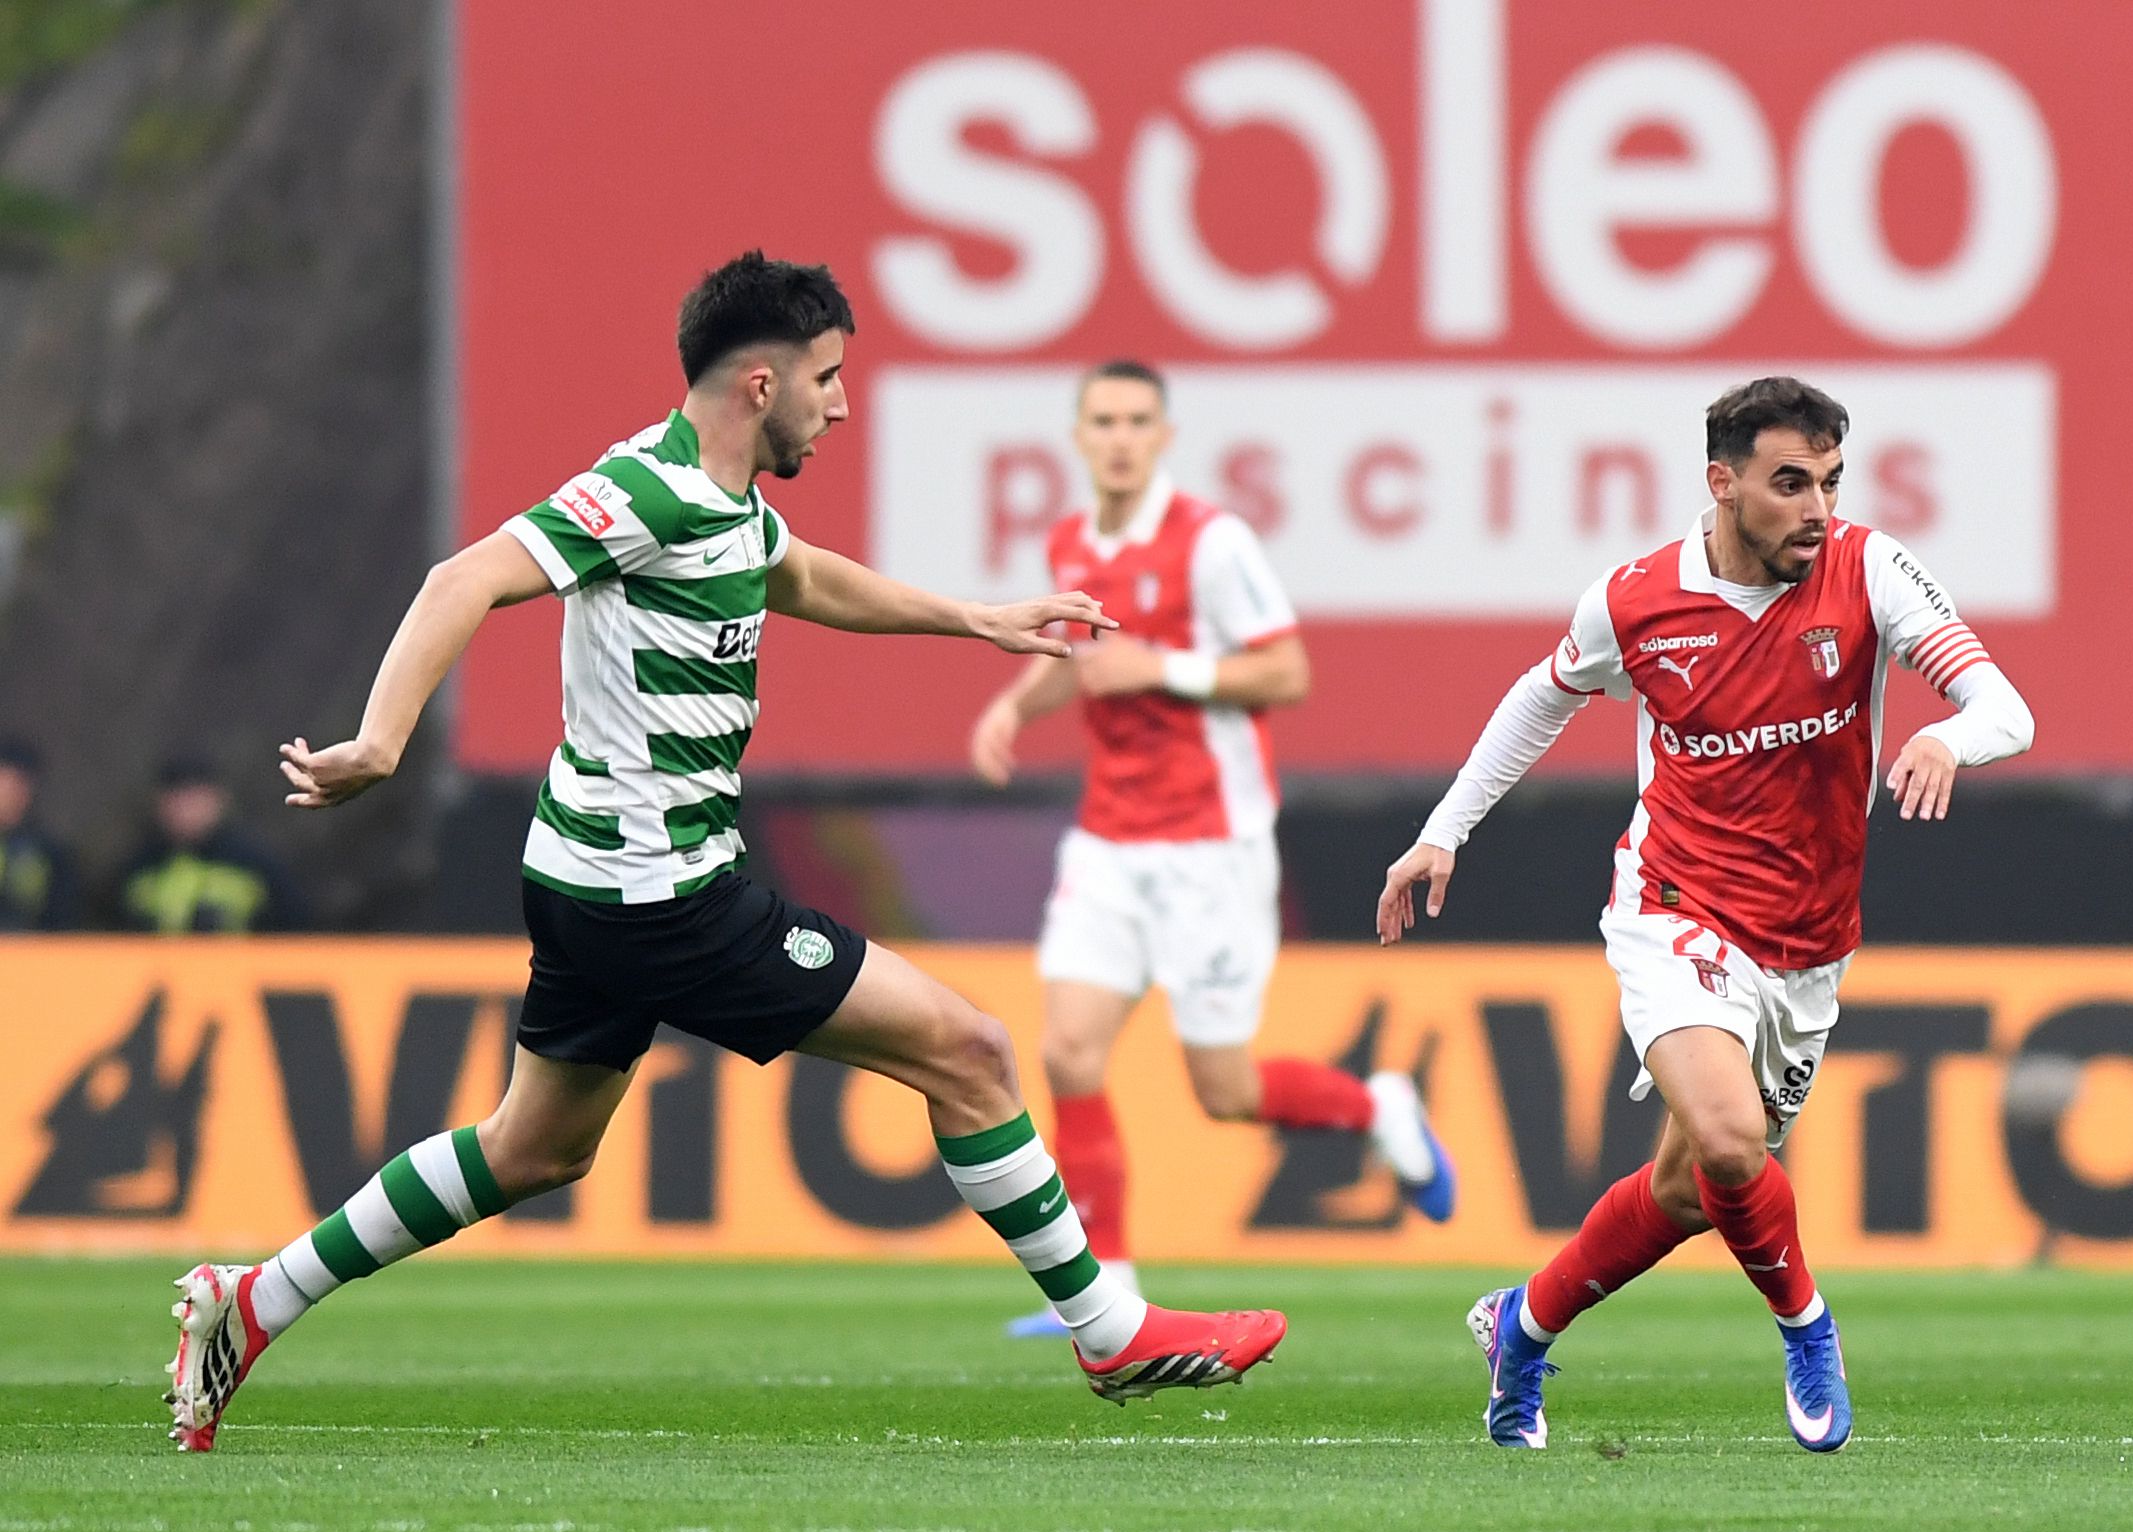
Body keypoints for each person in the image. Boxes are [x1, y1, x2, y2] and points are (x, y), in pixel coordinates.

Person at [164, 252, 1286, 1451]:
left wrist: (974, 617)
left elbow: (797, 574)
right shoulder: (645, 491)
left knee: (531, 1146)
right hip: (662, 895)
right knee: (970, 1050)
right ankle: (1111, 1328)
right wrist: (381, 742)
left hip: (591, 878)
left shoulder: (727, 502)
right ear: (761, 383)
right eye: (828, 377)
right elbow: (465, 575)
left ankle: (254, 1298)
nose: (840, 403)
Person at [1376, 377, 2033, 1452]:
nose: (1815, 508)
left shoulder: (1867, 568)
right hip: (1672, 901)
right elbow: (1542, 692)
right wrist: (1445, 828)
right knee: (1732, 1142)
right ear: (1721, 484)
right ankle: (1807, 1328)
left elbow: (2004, 705)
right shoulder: (1636, 601)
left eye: (1828, 480)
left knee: (1690, 1185)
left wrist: (1945, 738)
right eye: (1788, 483)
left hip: (1809, 942)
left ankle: (1521, 1324)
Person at [970, 360, 1451, 1338]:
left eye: (1136, 419)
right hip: (1108, 838)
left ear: (1163, 434)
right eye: (1101, 418)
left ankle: (1376, 1105)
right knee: (1066, 1049)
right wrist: (1018, 700)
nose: (1117, 435)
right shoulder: (1069, 539)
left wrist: (1168, 665)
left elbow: (1286, 670)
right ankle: (1103, 1286)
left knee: (1222, 1091)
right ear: (1076, 434)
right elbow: (1089, 662)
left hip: (1210, 845)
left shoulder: (1210, 542)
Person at [114, 755, 308, 932]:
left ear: (219, 800)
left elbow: (295, 928)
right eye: (177, 800)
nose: (186, 810)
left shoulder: (255, 865)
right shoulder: (136, 868)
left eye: (195, 799)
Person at [0, 735, 77, 930]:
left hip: (32, 955)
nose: (9, 794)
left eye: (18, 784)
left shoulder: (51, 854)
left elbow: (63, 920)